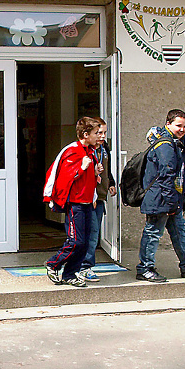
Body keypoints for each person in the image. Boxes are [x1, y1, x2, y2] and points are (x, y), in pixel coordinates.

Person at [136, 109, 185, 282]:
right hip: (160, 199)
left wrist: (176, 203)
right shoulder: (166, 145)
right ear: (168, 124)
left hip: (170, 200)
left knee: (179, 232)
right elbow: (166, 176)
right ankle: (144, 268)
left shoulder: (174, 142)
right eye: (178, 125)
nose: (182, 129)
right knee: (153, 233)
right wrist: (171, 204)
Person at [43, 116, 102, 287]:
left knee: (84, 243)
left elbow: (88, 179)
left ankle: (70, 274)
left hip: (87, 202)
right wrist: (81, 168)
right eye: (95, 133)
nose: (99, 136)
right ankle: (53, 263)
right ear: (85, 134)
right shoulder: (73, 151)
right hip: (75, 203)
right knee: (76, 241)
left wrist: (95, 172)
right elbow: (65, 178)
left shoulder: (90, 151)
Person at [77, 118, 116, 282]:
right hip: (88, 198)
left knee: (94, 232)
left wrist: (111, 183)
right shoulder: (85, 150)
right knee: (88, 233)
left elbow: (106, 169)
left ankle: (84, 265)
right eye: (99, 133)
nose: (102, 136)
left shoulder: (103, 149)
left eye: (105, 133)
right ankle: (84, 266)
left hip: (99, 197)